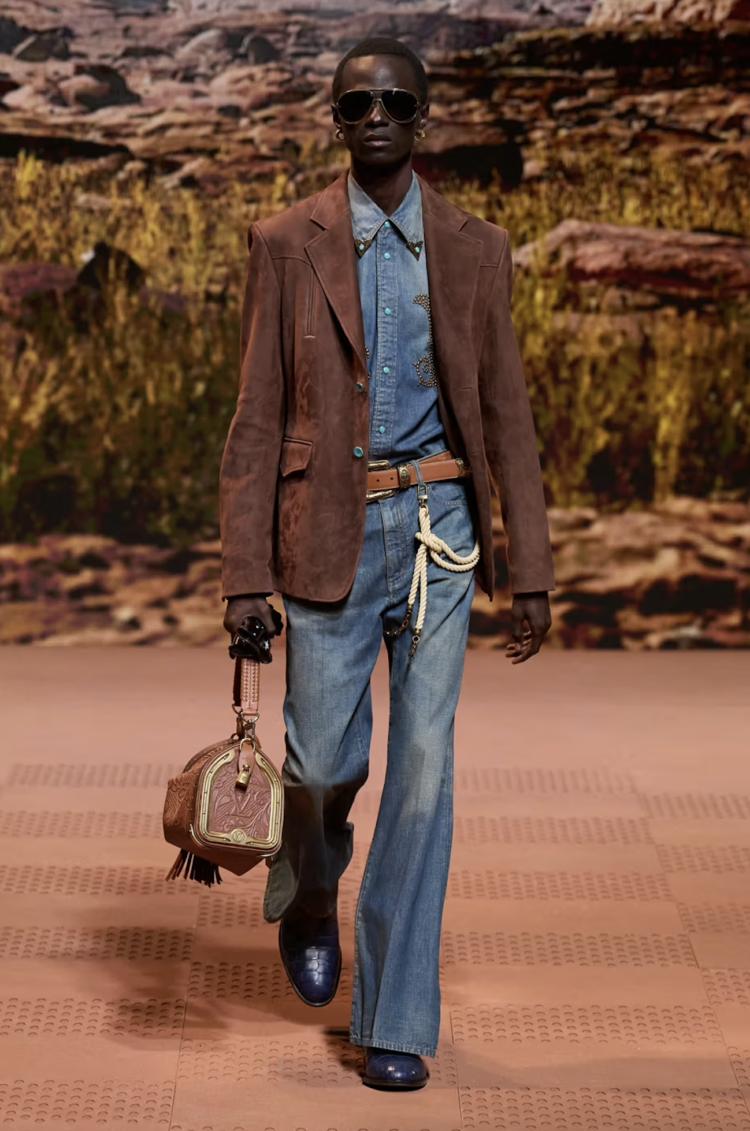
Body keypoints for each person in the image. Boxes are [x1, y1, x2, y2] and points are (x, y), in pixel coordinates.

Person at [220, 35, 555, 1090]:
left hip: (442, 533)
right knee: (321, 768)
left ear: (423, 118)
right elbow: (255, 419)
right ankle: (312, 883)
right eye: (356, 99)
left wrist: (531, 568)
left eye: (394, 100)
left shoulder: (474, 247)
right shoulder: (285, 242)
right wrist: (242, 577)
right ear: (335, 117)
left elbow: (506, 413)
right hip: (327, 530)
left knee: (422, 777)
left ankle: (397, 1018)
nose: (375, 115)